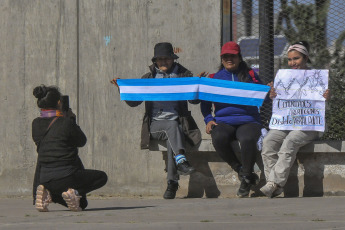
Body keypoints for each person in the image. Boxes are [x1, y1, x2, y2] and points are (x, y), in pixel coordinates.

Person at [111, 42, 201, 199]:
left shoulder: (183, 75)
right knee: (171, 127)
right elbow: (134, 102)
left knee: (172, 134)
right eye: (160, 59)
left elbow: (194, 102)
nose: (163, 62)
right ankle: (180, 162)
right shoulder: (148, 78)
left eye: (166, 59)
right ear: (155, 61)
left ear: (173, 59)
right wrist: (122, 89)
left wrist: (197, 86)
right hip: (155, 125)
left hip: (179, 125)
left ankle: (172, 183)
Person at [260, 41, 330, 198]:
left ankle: (274, 183)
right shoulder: (284, 77)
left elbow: (322, 107)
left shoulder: (318, 78)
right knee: (268, 142)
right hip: (286, 123)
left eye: (296, 58)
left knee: (290, 141)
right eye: (290, 59)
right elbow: (283, 105)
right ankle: (275, 185)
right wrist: (274, 95)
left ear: (306, 58)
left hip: (308, 126)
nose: (292, 63)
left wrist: (327, 97)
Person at [200, 41, 264, 197]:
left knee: (248, 138)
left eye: (233, 56)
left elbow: (264, 98)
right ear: (222, 59)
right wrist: (209, 119)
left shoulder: (251, 75)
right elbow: (205, 103)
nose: (229, 59)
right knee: (218, 136)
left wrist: (270, 92)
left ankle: (246, 179)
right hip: (224, 121)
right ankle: (241, 170)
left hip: (248, 120)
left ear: (239, 57)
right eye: (226, 56)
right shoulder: (214, 78)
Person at [32, 85, 107, 212]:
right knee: (102, 177)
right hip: (67, 176)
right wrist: (71, 120)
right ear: (59, 102)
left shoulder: (35, 123)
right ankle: (67, 192)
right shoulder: (66, 123)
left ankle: (49, 194)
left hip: (45, 178)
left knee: (82, 204)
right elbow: (81, 141)